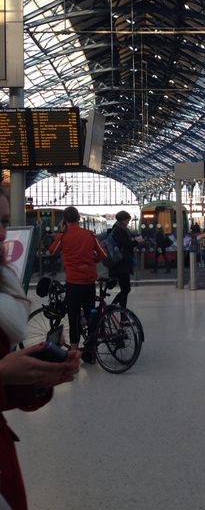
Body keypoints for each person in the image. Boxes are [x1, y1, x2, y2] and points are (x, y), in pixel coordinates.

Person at [0, 187, 80, 510]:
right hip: (84, 282)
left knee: (73, 320)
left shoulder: (3, 290)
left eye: (4, 221)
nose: (1, 232)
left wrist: (38, 378)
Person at [49, 206, 106, 361]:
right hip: (88, 281)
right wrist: (90, 262)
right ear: (79, 218)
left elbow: (52, 251)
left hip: (73, 283)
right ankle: (91, 352)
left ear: (65, 221)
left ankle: (73, 354)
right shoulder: (89, 234)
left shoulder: (64, 235)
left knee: (73, 318)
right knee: (90, 315)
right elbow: (102, 254)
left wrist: (61, 232)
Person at [108, 210, 142, 306]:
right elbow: (127, 244)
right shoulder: (119, 229)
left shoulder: (118, 228)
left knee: (125, 289)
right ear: (123, 219)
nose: (128, 222)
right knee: (126, 289)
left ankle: (122, 313)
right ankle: (112, 308)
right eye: (127, 220)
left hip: (120, 263)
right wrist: (137, 241)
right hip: (120, 264)